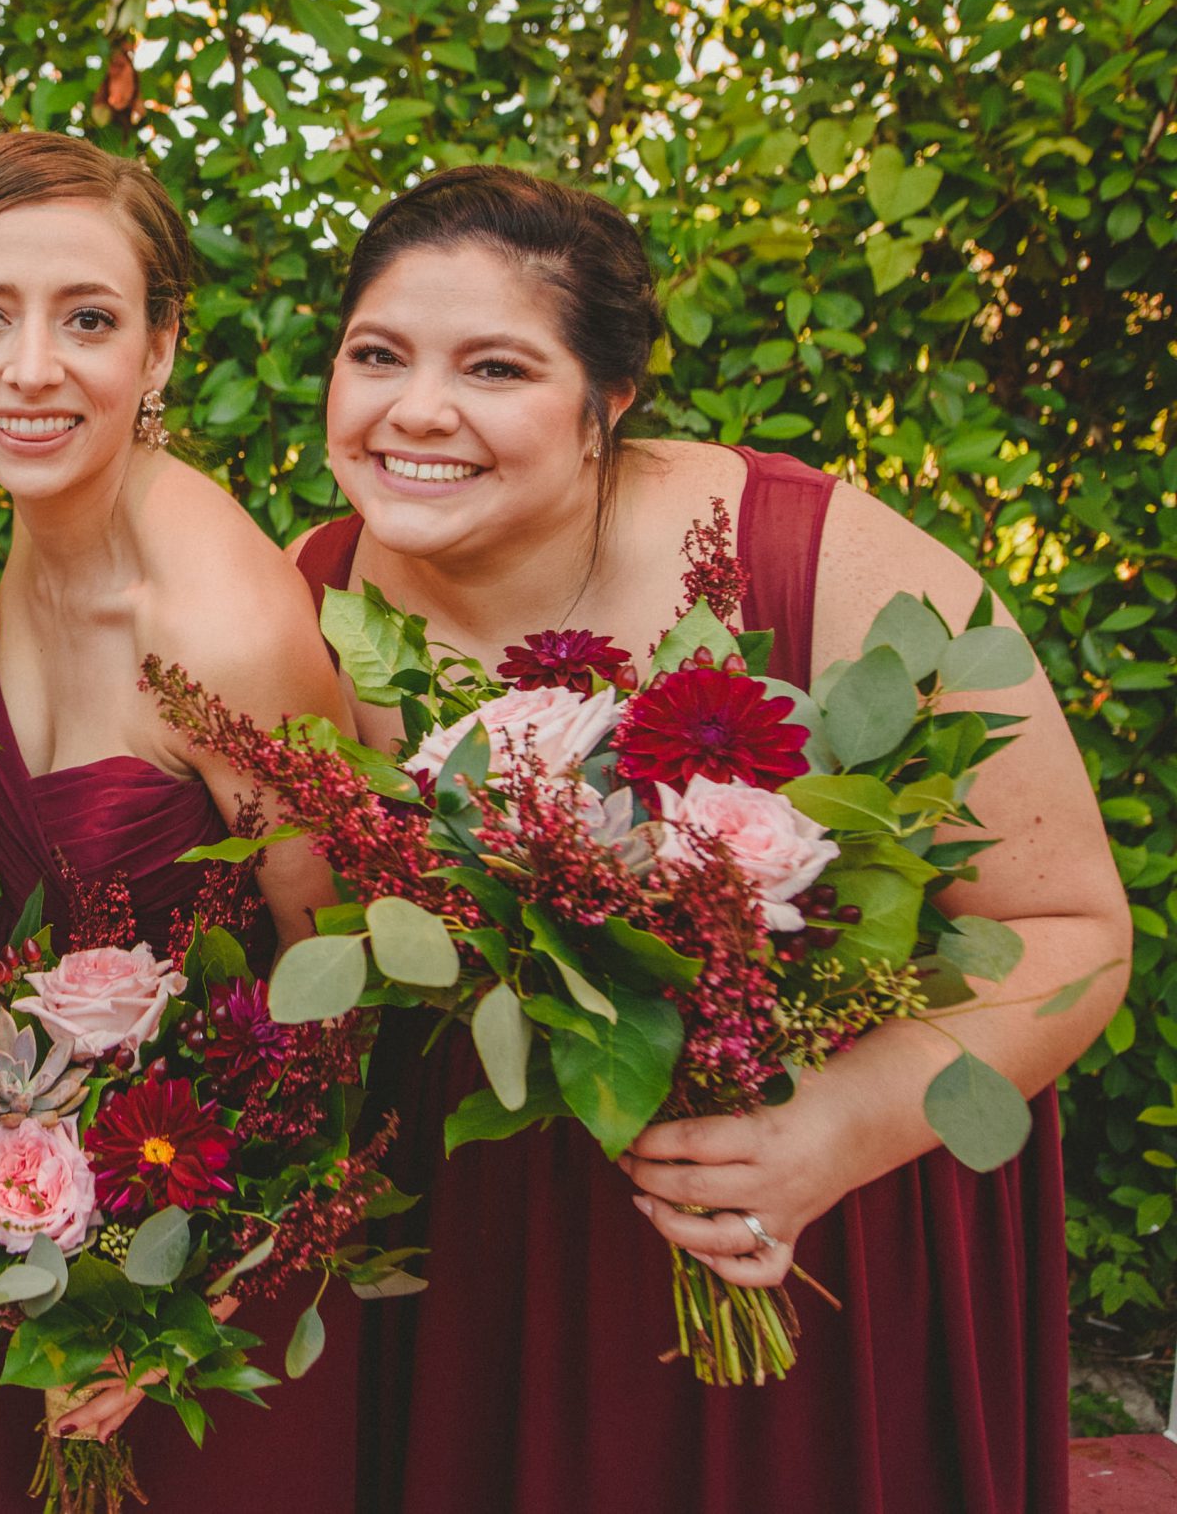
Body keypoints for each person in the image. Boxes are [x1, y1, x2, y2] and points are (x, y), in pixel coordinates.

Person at [287, 164, 1128, 1514]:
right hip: (480, 1261)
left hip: (812, 1231)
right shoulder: (305, 604)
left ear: (610, 399)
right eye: (376, 354)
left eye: (496, 367)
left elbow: (1073, 928)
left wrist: (832, 1128)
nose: (417, 410)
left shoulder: (826, 563)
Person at [0, 130, 363, 1514]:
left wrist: (180, 1296)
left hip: (208, 1308)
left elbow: (344, 992)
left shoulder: (216, 625)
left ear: (161, 347)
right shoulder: (17, 541)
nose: (31, 368)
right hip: (37, 1245)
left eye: (90, 320)